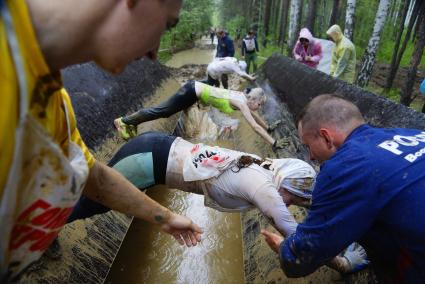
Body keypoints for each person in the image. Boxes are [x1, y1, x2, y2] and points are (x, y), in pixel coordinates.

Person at [0, 0, 203, 279]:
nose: (155, 54)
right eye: (167, 24)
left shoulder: (55, 100)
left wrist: (166, 218)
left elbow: (94, 178)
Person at [69, 131, 368, 274]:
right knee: (92, 203)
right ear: (285, 188)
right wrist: (343, 263)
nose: (287, 204)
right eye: (290, 198)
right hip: (146, 159)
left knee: (92, 194)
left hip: (158, 148)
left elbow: (313, 206)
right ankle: (40, 219)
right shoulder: (266, 190)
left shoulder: (277, 168)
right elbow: (302, 239)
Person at [262, 94, 425, 282]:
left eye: (308, 146)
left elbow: (303, 255)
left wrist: (285, 248)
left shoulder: (345, 166)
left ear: (326, 137)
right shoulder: (409, 133)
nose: (311, 157)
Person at [114, 81, 288, 149]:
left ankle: (131, 124)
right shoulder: (242, 102)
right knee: (164, 111)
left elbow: (257, 119)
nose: (259, 107)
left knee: (165, 112)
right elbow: (254, 126)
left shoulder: (244, 98)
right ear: (253, 99)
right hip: (192, 91)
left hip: (196, 93)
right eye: (260, 104)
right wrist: (274, 142)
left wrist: (269, 127)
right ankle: (124, 121)